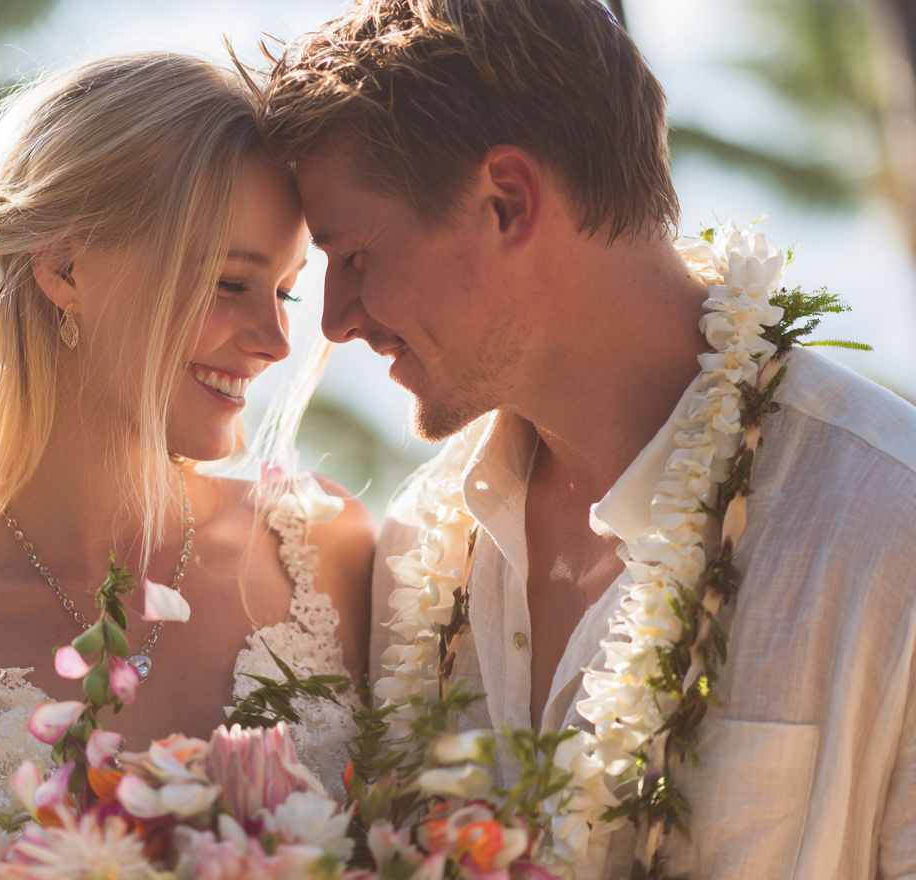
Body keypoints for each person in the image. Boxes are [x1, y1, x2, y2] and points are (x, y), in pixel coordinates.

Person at [261, 1, 916, 878]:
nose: (335, 321)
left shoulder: (889, 528)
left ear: (507, 200)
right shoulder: (420, 544)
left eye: (356, 256)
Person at [0, 52, 375, 879]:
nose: (275, 341)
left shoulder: (326, 554)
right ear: (64, 268)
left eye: (287, 291)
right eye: (230, 283)